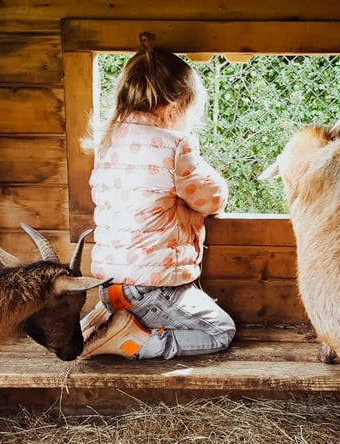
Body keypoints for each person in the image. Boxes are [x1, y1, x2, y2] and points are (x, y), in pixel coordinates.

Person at [79, 32, 236, 360]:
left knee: (184, 299)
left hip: (110, 288)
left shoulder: (108, 142)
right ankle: (135, 343)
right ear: (174, 106)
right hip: (152, 290)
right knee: (220, 330)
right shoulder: (175, 145)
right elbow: (211, 198)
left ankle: (109, 317)